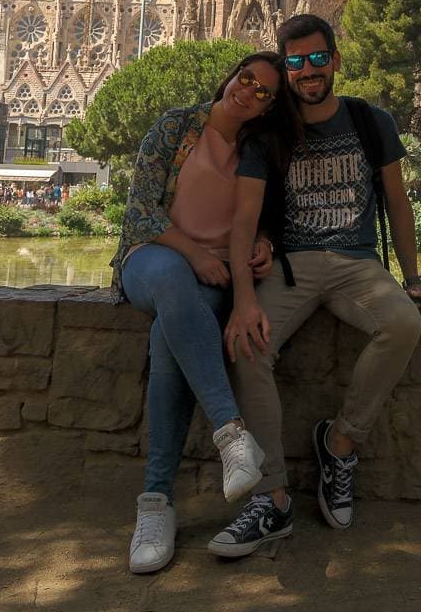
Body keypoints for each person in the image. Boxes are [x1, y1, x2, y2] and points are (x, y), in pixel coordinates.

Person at [209, 14, 421, 559]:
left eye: (317, 59)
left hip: (355, 264)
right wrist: (244, 300)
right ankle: (272, 499)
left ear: (335, 60)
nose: (308, 71)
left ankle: (339, 444)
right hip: (289, 266)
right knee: (247, 349)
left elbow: (397, 203)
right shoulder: (269, 132)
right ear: (285, 69)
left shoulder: (369, 120)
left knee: (403, 324)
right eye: (295, 62)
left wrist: (412, 279)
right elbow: (244, 220)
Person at [109, 51, 302, 575]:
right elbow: (141, 211)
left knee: (176, 333)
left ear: (269, 107)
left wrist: (261, 243)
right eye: (246, 80)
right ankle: (231, 435)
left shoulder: (260, 150)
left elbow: (264, 221)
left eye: (264, 92)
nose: (249, 92)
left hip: (215, 277)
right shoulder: (176, 126)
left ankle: (155, 504)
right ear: (231, 77)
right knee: (174, 283)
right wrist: (191, 253)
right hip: (151, 259)